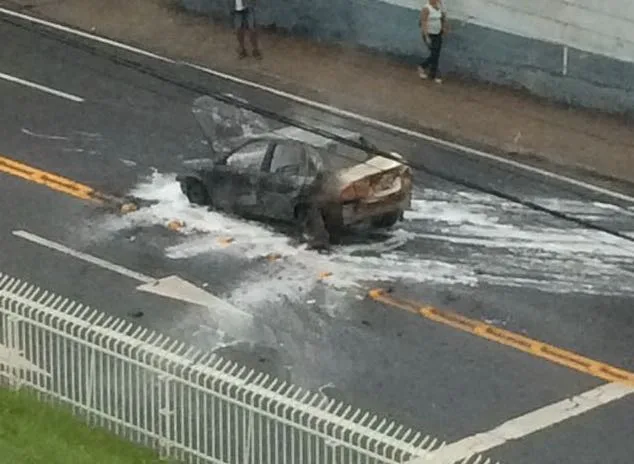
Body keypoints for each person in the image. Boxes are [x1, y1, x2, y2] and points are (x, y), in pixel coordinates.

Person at [418, 0, 447, 83]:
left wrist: (444, 27)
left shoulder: (440, 7)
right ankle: (423, 66)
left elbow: (443, 18)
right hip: (430, 34)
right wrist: (426, 36)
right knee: (434, 53)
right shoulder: (426, 8)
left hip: (438, 33)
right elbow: (423, 22)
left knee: (436, 53)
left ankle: (432, 74)